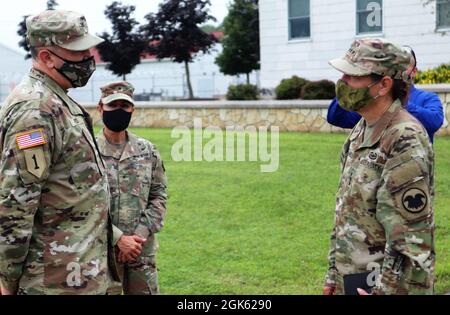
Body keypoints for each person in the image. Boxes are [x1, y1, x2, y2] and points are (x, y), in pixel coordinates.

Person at [0, 10, 119, 295]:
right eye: (78, 52)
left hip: (78, 271)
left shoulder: (56, 100)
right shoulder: (36, 110)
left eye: (88, 48)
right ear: (46, 57)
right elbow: (17, 203)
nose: (89, 58)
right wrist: (6, 280)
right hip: (55, 280)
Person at [324, 38, 435, 295]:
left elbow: (409, 238)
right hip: (354, 280)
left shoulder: (404, 137)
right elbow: (346, 212)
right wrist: (333, 275)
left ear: (383, 84)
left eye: (353, 75)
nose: (342, 81)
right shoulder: (360, 130)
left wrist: (384, 291)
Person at [96, 81, 168, 295]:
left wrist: (138, 236)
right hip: (103, 252)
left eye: (124, 106)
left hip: (141, 252)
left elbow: (159, 196)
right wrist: (119, 239)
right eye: (112, 106)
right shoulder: (88, 151)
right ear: (100, 108)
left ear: (132, 110)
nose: (119, 111)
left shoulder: (147, 150)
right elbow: (84, 205)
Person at [327, 48, 444, 143]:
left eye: (404, 66)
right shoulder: (375, 99)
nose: (398, 70)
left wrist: (395, 101)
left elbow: (434, 122)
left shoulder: (428, 98)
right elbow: (336, 118)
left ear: (414, 71)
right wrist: (349, 88)